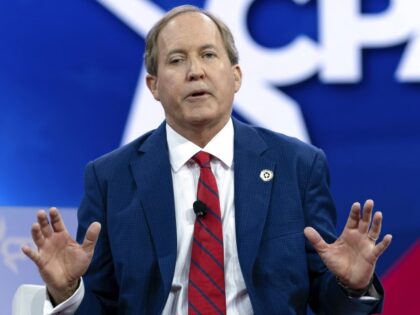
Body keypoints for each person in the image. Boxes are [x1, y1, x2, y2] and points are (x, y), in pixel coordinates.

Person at [22, 5, 392, 315]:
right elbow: (101, 305)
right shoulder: (109, 177)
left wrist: (350, 284)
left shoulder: (297, 165)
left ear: (236, 77)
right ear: (153, 85)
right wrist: (68, 291)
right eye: (177, 59)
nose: (195, 70)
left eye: (208, 55)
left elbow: (326, 300)